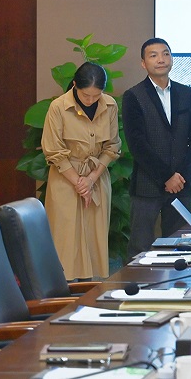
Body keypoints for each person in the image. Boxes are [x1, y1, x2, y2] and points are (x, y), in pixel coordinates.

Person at [122, 38, 191, 258]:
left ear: (171, 59)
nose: (161, 59)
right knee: (140, 247)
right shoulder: (133, 96)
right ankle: (138, 282)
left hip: (181, 184)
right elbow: (137, 144)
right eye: (153, 55)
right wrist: (167, 176)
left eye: (165, 53)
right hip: (147, 185)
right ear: (143, 63)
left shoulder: (187, 93)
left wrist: (181, 176)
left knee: (181, 247)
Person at [41, 62, 120, 280]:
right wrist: (79, 183)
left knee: (94, 239)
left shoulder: (110, 105)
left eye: (97, 95)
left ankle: (90, 290)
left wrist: (91, 179)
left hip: (97, 178)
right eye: (86, 95)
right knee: (65, 241)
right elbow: (53, 150)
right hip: (65, 180)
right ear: (75, 85)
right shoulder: (58, 107)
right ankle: (64, 291)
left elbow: (112, 147)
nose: (91, 100)